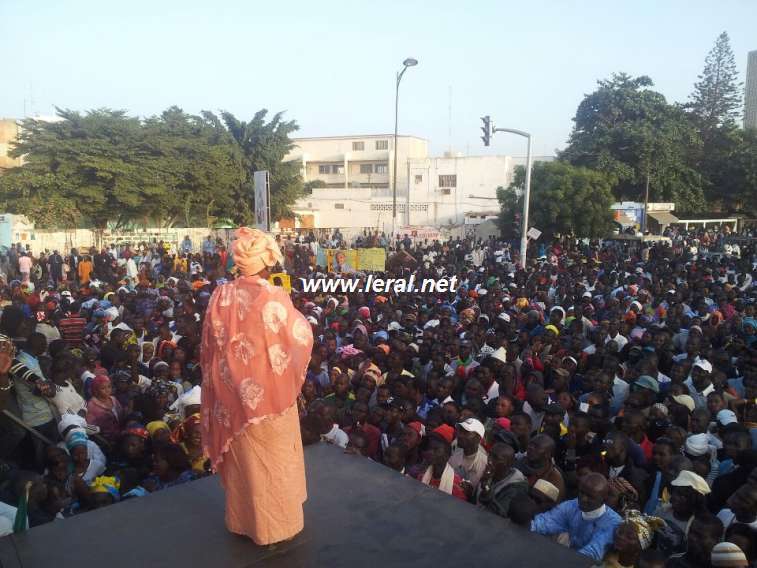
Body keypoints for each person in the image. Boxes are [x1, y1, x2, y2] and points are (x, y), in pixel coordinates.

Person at [200, 227, 313, 546]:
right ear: (267, 261)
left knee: (246, 465)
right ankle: (277, 527)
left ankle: (243, 522)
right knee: (274, 465)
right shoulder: (274, 296)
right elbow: (300, 337)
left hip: (231, 398)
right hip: (271, 401)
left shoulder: (219, 296)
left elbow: (209, 348)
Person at [531, 472, 622, 561]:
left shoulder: (613, 524)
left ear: (604, 499)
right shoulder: (572, 505)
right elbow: (545, 521)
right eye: (582, 493)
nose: (583, 499)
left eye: (590, 497)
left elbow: (591, 554)